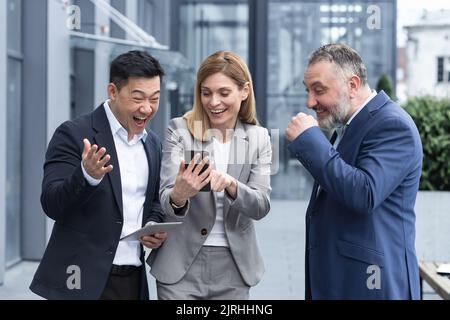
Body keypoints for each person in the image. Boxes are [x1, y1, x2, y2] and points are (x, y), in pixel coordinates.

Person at [285, 44, 423, 300]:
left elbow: (365, 193)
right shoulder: (350, 125)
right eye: (308, 91)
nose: (310, 102)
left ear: (352, 84)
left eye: (319, 90)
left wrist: (310, 140)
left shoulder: (392, 124)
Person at [30, 50, 167, 300]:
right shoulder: (73, 134)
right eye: (138, 98)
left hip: (132, 279)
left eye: (154, 99)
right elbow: (51, 203)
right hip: (80, 279)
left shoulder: (153, 144)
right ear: (113, 92)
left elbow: (153, 201)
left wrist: (152, 224)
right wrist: (86, 176)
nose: (147, 108)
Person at [147, 51, 272, 300]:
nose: (214, 102)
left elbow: (260, 206)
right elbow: (166, 202)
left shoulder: (259, 138)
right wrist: (179, 195)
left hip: (234, 269)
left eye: (223, 93)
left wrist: (231, 184)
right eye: (206, 93)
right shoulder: (179, 131)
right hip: (180, 265)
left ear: (244, 91)